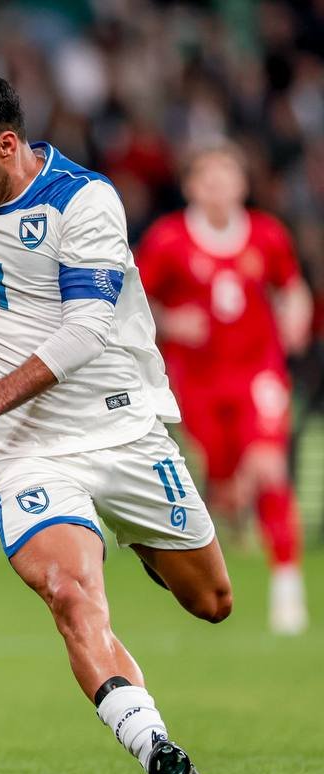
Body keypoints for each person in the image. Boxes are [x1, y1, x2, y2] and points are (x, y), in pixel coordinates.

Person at [0, 70, 230, 774]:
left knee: (212, 602)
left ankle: (139, 540)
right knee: (69, 594)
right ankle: (156, 747)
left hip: (121, 430)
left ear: (6, 145)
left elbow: (85, 330)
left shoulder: (84, 202)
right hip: (25, 449)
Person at [136, 144, 313, 635]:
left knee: (269, 467)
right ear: (191, 186)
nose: (219, 188)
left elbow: (291, 287)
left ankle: (287, 586)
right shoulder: (169, 240)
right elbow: (134, 301)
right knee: (225, 483)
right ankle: (231, 512)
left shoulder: (267, 234)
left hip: (259, 372)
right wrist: (171, 322)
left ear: (242, 184)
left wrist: (296, 316)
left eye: (227, 177)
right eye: (208, 179)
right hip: (198, 381)